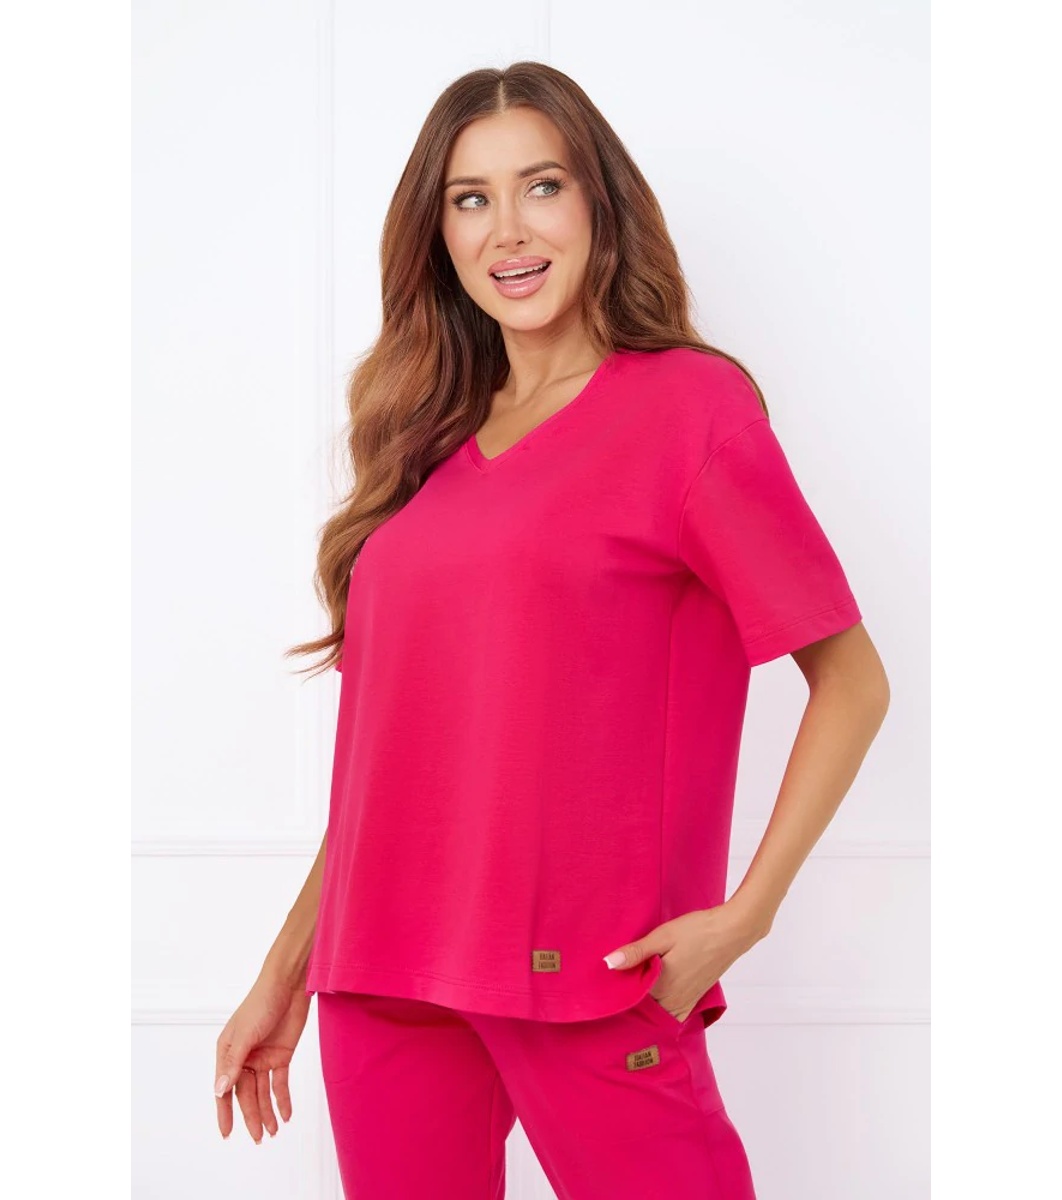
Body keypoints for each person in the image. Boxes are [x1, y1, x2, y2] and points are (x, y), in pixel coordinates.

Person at [212, 60, 890, 1199]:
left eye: (542, 186)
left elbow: (854, 681)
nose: (508, 230)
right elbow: (395, 762)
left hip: (593, 975)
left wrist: (744, 919)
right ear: (438, 233)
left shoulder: (689, 411)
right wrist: (286, 968)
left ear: (598, 202)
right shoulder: (424, 441)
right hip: (381, 979)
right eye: (470, 199)